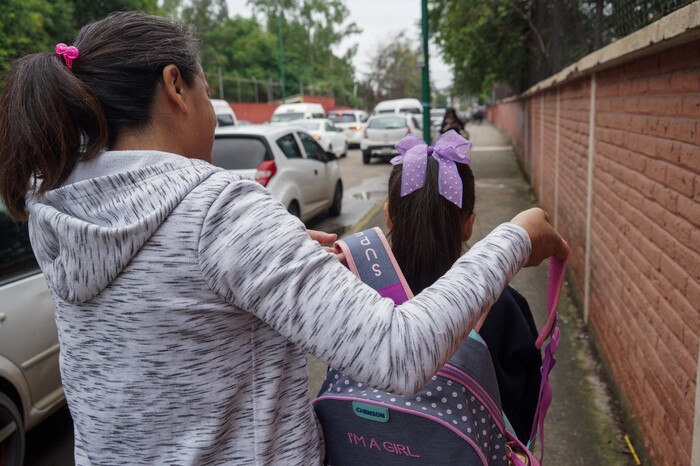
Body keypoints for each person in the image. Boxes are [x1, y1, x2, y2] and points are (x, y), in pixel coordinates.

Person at [0, 11, 566, 465]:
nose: (211, 117)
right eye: (205, 91)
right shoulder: (216, 209)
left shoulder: (58, 208)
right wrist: (514, 237)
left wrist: (274, 263)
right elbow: (400, 353)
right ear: (175, 86)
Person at [384, 130, 542, 441]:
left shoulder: (362, 295)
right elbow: (526, 412)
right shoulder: (504, 307)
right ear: (469, 224)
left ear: (389, 217)